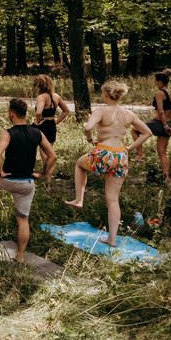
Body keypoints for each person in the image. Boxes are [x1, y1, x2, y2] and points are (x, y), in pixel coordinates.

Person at [66, 81, 152, 247]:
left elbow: (88, 127)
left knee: (79, 164)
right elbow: (147, 132)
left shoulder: (101, 111)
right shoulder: (128, 113)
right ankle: (112, 239)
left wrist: (90, 139)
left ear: (105, 95)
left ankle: (78, 199)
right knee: (113, 200)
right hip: (121, 156)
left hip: (104, 153)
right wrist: (129, 147)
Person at [0, 98, 57, 263]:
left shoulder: (8, 133)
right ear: (25, 113)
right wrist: (42, 173)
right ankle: (20, 255)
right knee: (23, 219)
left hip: (9, 180)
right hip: (27, 183)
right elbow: (53, 156)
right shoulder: (37, 133)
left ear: (11, 114)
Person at [138, 69, 171, 183]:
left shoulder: (159, 93)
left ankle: (140, 155)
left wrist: (164, 125)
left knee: (135, 130)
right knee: (162, 152)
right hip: (170, 123)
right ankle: (166, 177)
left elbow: (160, 111)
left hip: (159, 123)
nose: (155, 83)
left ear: (160, 82)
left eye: (156, 81)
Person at [32, 75, 70, 175]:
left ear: (39, 86)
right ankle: (49, 179)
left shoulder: (42, 97)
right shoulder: (56, 96)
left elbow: (39, 112)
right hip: (51, 125)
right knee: (50, 153)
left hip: (43, 126)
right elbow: (66, 111)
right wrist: (56, 121)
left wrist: (38, 122)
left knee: (44, 154)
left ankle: (45, 178)